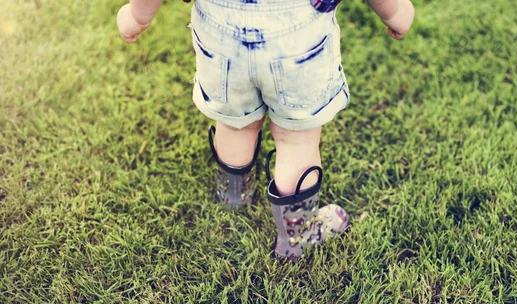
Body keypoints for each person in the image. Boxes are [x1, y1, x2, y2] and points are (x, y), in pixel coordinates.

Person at [117, 0, 415, 260]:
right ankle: (295, 240)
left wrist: (137, 17)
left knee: (236, 124)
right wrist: (396, 13)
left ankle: (233, 195)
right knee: (295, 141)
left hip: (220, 37)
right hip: (298, 39)